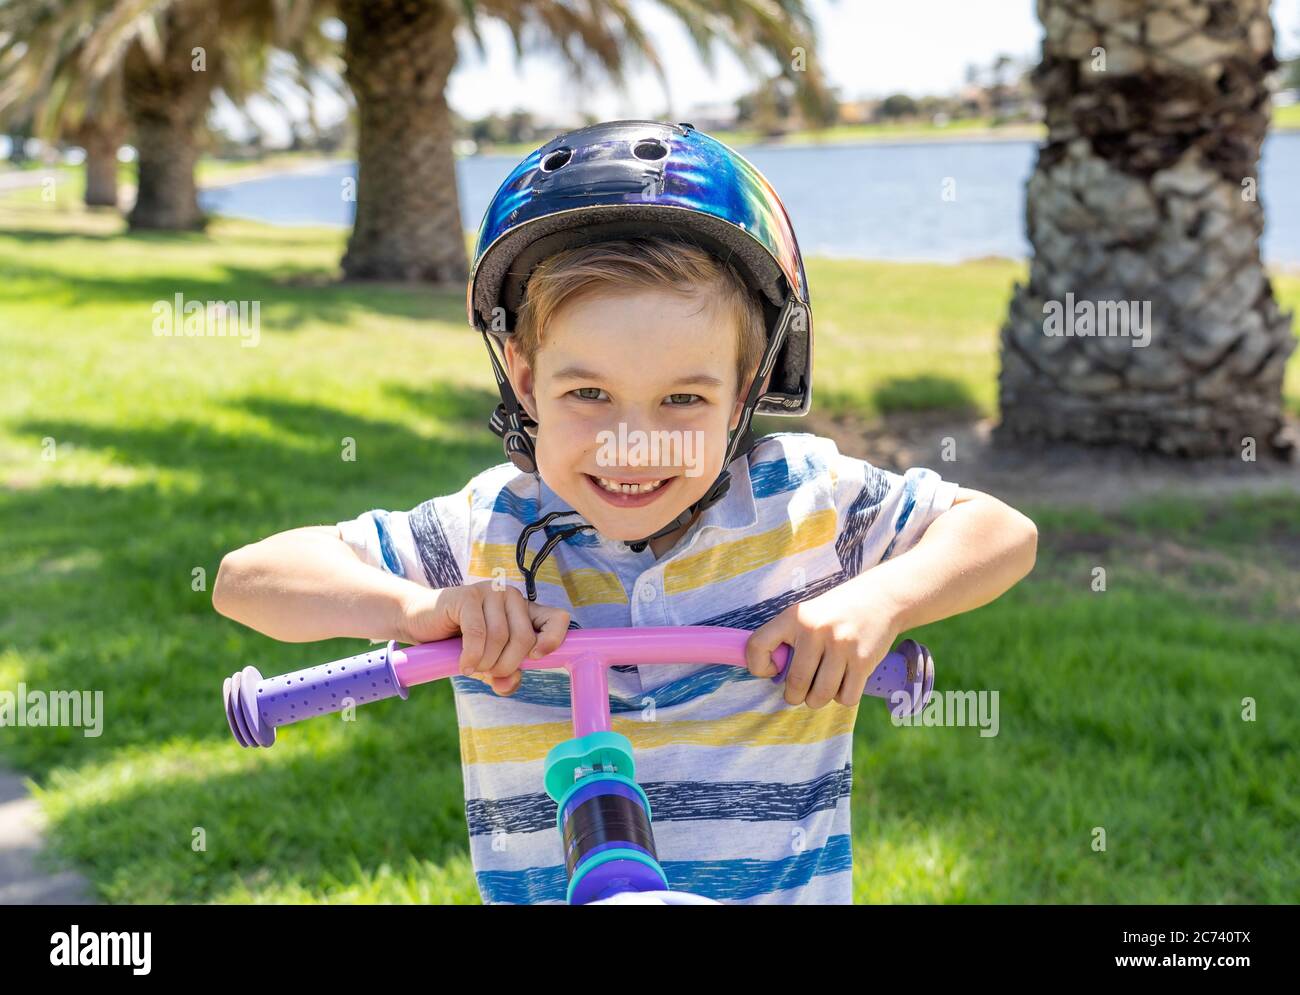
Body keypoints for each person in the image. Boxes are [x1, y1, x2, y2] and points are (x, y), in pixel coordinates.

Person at [212, 120, 1038, 904]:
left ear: (747, 390)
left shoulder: (805, 504)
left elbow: (1000, 533)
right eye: (589, 393)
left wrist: (877, 600)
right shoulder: (486, 530)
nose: (633, 444)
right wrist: (425, 608)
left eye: (683, 397)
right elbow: (248, 580)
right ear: (525, 379)